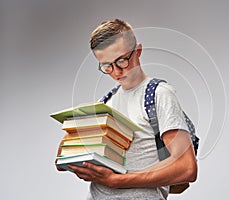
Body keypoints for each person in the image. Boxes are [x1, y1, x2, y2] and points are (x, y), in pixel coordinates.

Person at [58, 19, 198, 200]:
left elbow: (187, 168)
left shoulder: (159, 95)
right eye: (107, 66)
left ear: (137, 52)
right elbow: (60, 161)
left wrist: (117, 181)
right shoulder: (105, 104)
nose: (116, 71)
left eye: (122, 61)